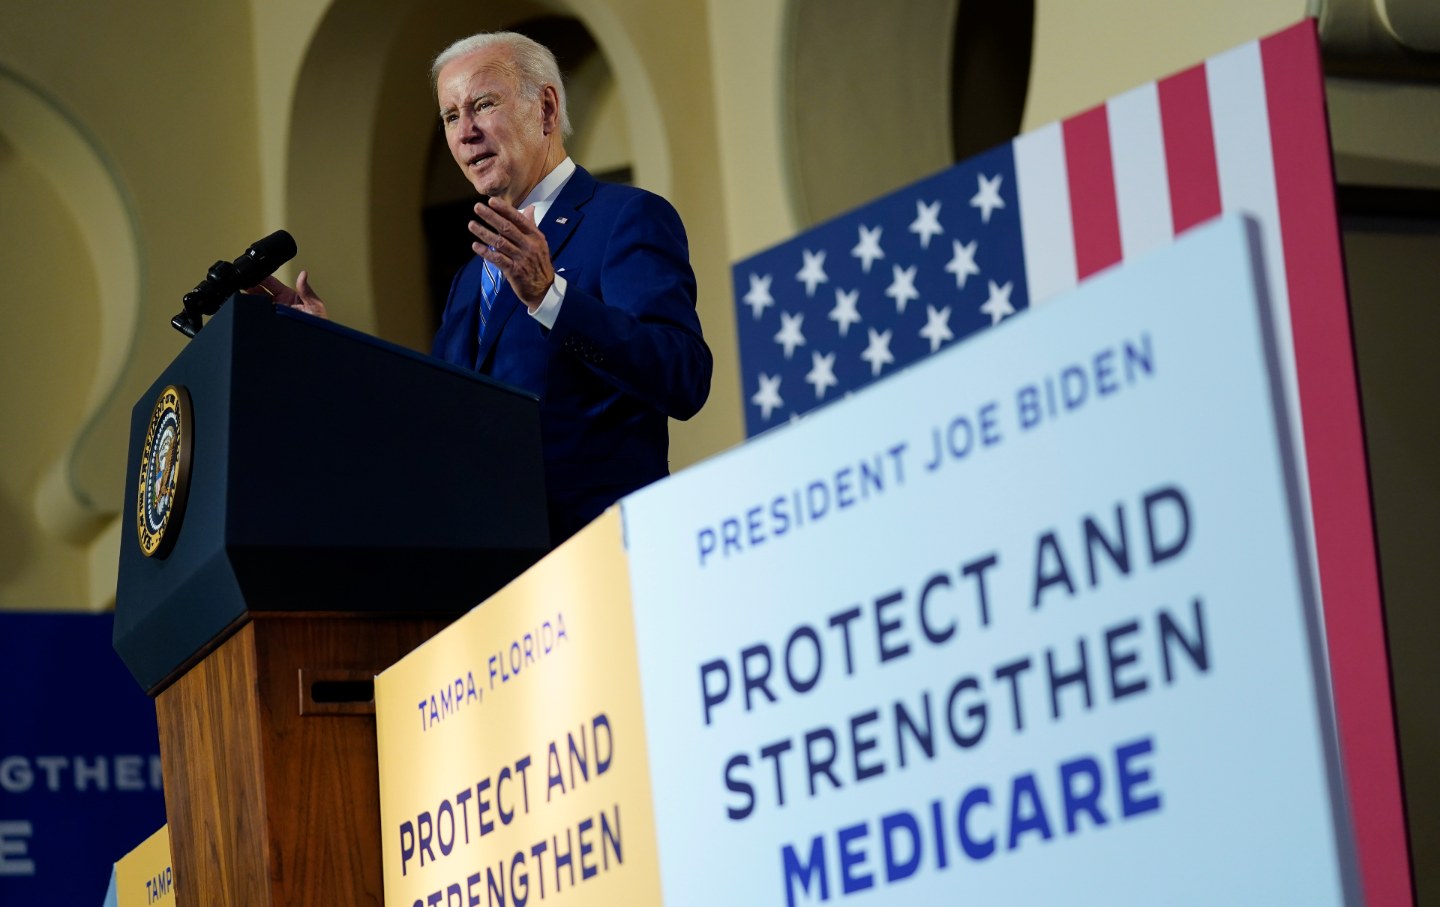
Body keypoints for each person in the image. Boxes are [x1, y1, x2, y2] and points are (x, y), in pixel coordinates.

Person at [259, 31, 713, 545]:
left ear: (544, 108)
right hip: (498, 579)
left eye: (482, 105)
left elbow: (683, 375)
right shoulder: (471, 279)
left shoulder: (625, 218)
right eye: (451, 117)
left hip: (605, 552)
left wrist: (550, 299)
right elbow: (436, 424)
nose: (465, 133)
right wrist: (329, 351)